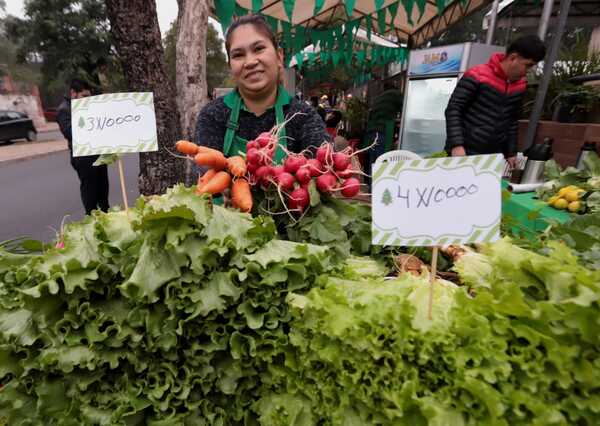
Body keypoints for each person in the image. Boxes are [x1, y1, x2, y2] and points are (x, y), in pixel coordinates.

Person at [194, 14, 329, 162]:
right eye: (238, 55)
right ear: (230, 67)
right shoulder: (213, 115)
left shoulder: (303, 116)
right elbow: (203, 176)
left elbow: (326, 169)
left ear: (279, 56)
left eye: (258, 49)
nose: (250, 62)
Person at [445, 35, 546, 167]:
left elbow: (512, 120)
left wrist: (511, 152)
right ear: (513, 58)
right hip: (463, 153)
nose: (528, 71)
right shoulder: (477, 75)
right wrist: (456, 145)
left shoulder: (520, 85)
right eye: (528, 65)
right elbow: (454, 109)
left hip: (492, 157)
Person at [57, 78, 110, 215]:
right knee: (90, 192)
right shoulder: (64, 110)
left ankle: (106, 217)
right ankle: (91, 219)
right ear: (73, 93)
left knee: (103, 190)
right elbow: (69, 132)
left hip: (98, 153)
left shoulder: (89, 107)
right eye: (84, 96)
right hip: (83, 158)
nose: (87, 99)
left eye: (89, 96)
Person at [363, 82, 403, 185]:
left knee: (374, 159)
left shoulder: (380, 97)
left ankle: (371, 186)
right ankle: (377, 188)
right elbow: (405, 108)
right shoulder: (396, 94)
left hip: (371, 131)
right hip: (382, 130)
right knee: (381, 159)